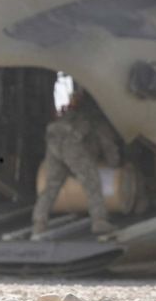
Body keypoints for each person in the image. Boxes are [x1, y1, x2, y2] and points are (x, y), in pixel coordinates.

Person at [32, 91, 121, 238]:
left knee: (52, 185)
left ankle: (39, 222)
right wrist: (114, 163)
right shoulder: (97, 120)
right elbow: (107, 144)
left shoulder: (72, 115)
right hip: (72, 146)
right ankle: (99, 221)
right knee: (92, 181)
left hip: (53, 144)